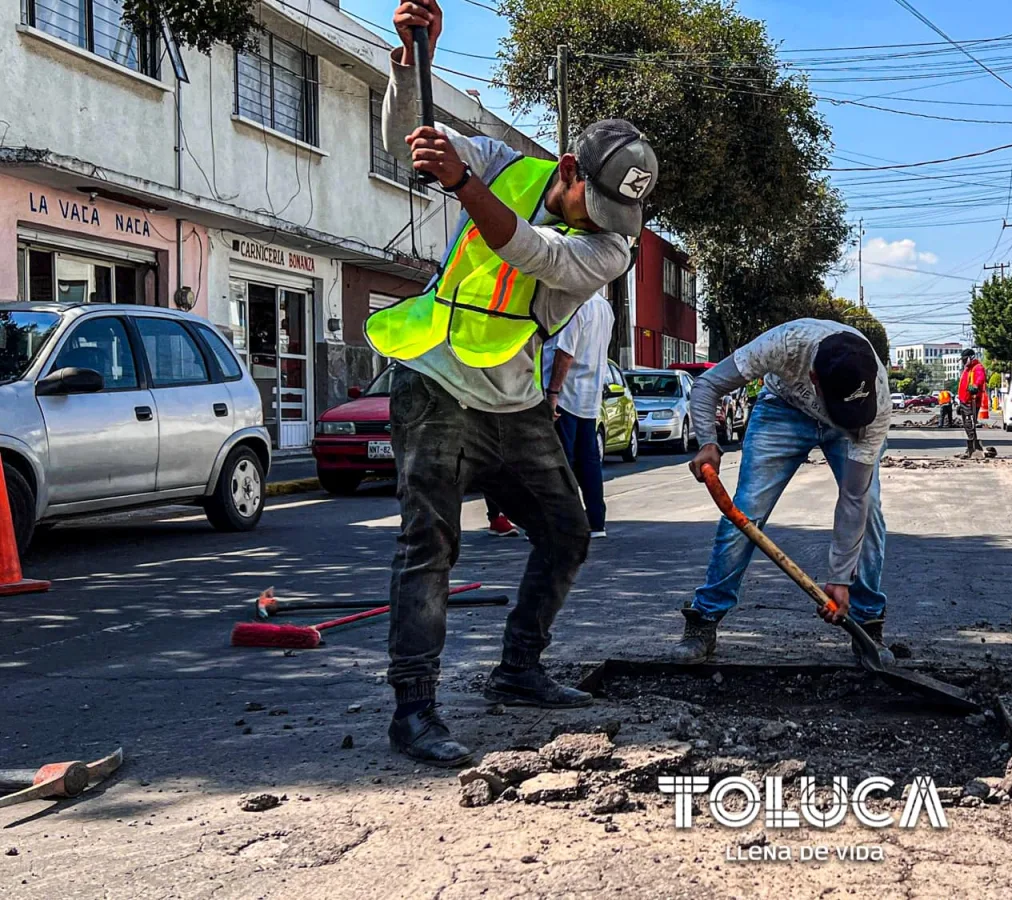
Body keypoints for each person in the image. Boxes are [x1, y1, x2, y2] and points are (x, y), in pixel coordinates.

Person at [364, 0, 658, 766]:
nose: (603, 223)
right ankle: (414, 710)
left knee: (566, 529)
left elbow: (535, 255)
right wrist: (413, 59)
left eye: (616, 215)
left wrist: (462, 185)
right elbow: (417, 142)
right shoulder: (505, 164)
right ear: (567, 170)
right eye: (594, 204)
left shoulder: (607, 252)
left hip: (515, 400)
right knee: (429, 542)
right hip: (435, 383)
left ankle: (518, 670)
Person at [671, 320, 891, 663]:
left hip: (852, 428)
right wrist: (707, 442)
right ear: (814, 379)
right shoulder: (785, 344)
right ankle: (705, 618)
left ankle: (866, 626)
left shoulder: (874, 403)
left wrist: (839, 578)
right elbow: (707, 385)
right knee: (746, 512)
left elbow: (854, 498)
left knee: (871, 511)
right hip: (783, 409)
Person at [543, 293, 616, 538]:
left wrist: (553, 392)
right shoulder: (604, 307)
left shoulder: (574, 305)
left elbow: (565, 352)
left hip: (567, 394)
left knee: (560, 462)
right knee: (589, 462)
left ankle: (563, 521)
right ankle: (596, 521)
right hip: (589, 396)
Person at [956, 350, 994, 459]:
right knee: (967, 424)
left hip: (972, 401)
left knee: (969, 423)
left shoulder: (977, 368)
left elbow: (980, 379)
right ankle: (971, 446)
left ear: (970, 357)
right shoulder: (967, 369)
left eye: (964, 359)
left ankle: (973, 447)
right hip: (964, 401)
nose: (963, 362)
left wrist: (975, 386)